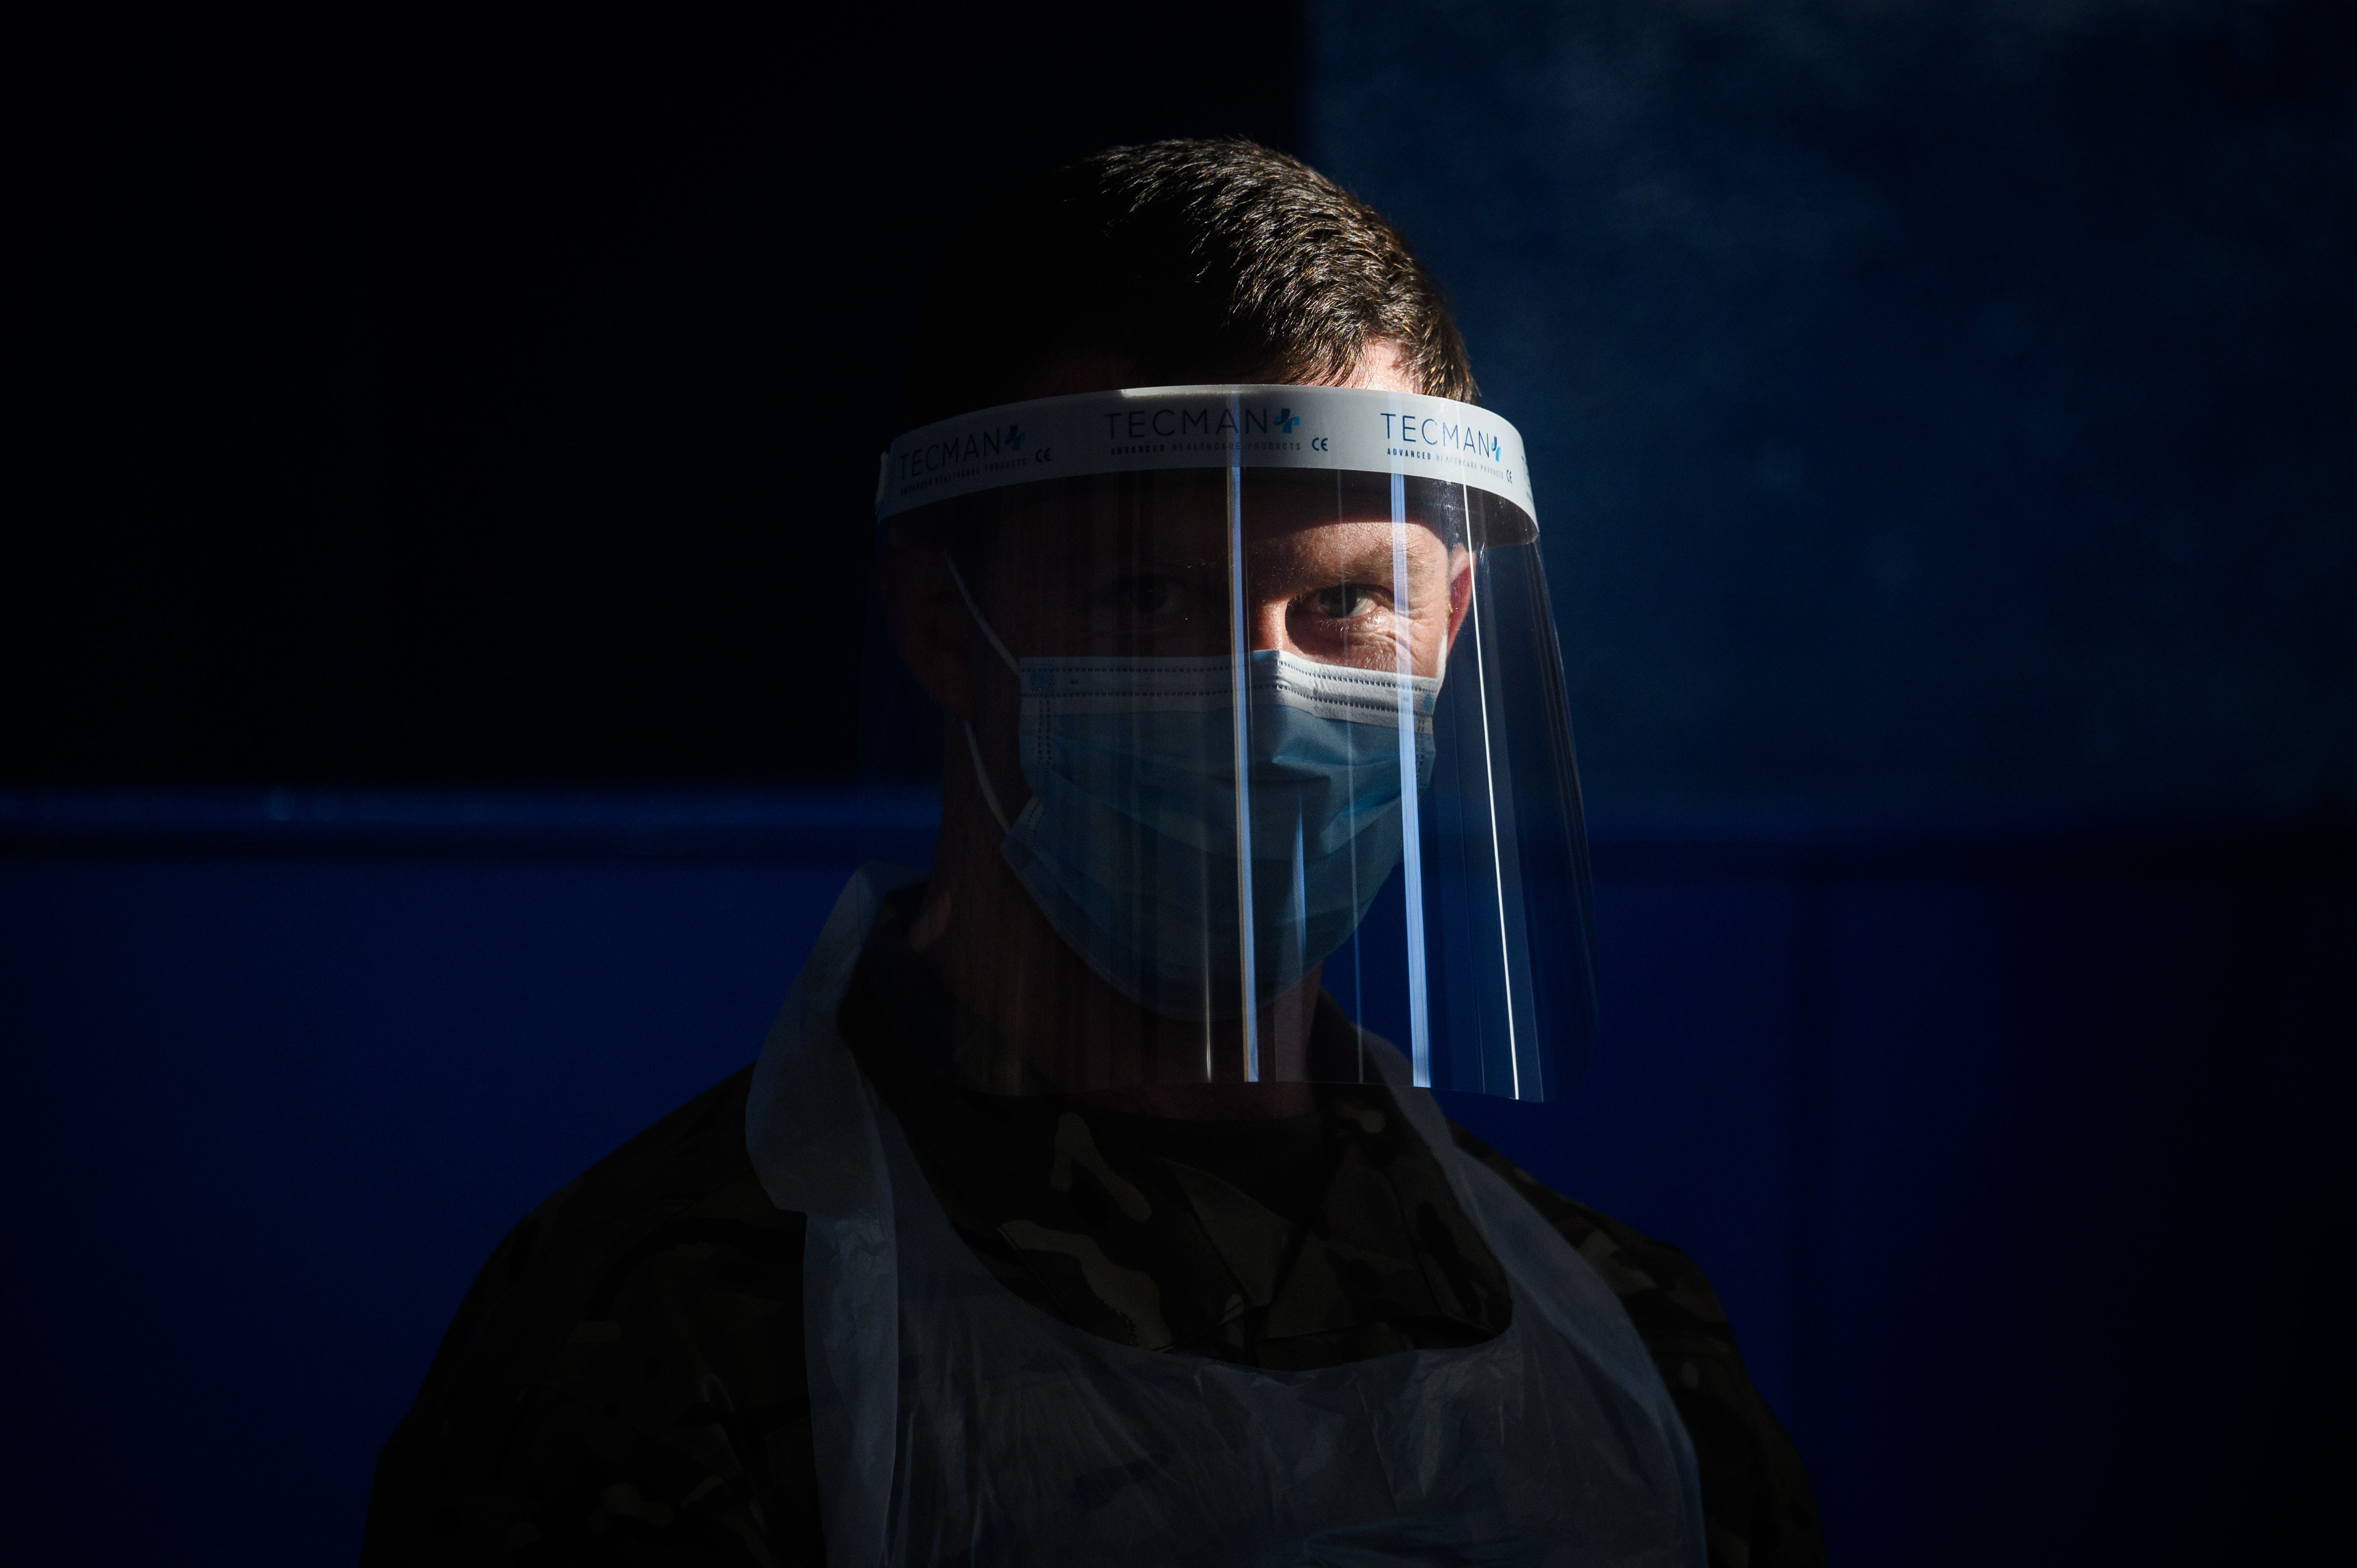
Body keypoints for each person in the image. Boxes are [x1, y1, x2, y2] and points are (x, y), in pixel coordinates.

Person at [362, 139, 1824, 1567]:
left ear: (1447, 631)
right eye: (1148, 594)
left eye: (1347, 607)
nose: (1266, 698)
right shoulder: (673, 1332)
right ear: (945, 622)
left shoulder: (1629, 1345)